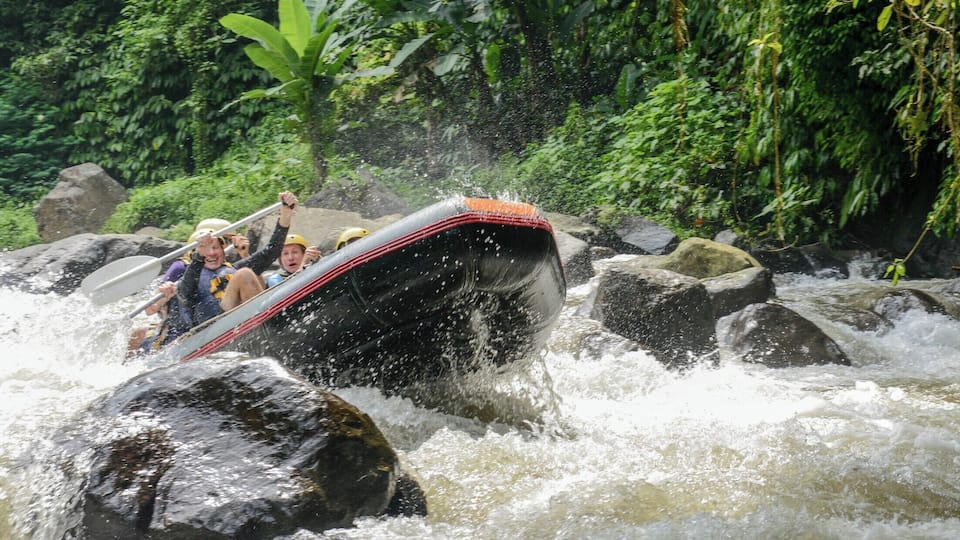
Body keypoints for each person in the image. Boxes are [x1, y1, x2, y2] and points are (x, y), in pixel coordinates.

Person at [177, 191, 300, 328]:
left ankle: (271, 324)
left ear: (223, 250)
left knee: (244, 273)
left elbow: (271, 251)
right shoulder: (189, 279)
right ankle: (267, 326)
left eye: (216, 247)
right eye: (206, 250)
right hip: (215, 329)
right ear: (196, 255)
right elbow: (185, 293)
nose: (211, 253)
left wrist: (286, 215)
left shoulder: (234, 268)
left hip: (243, 321)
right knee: (244, 274)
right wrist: (199, 256)